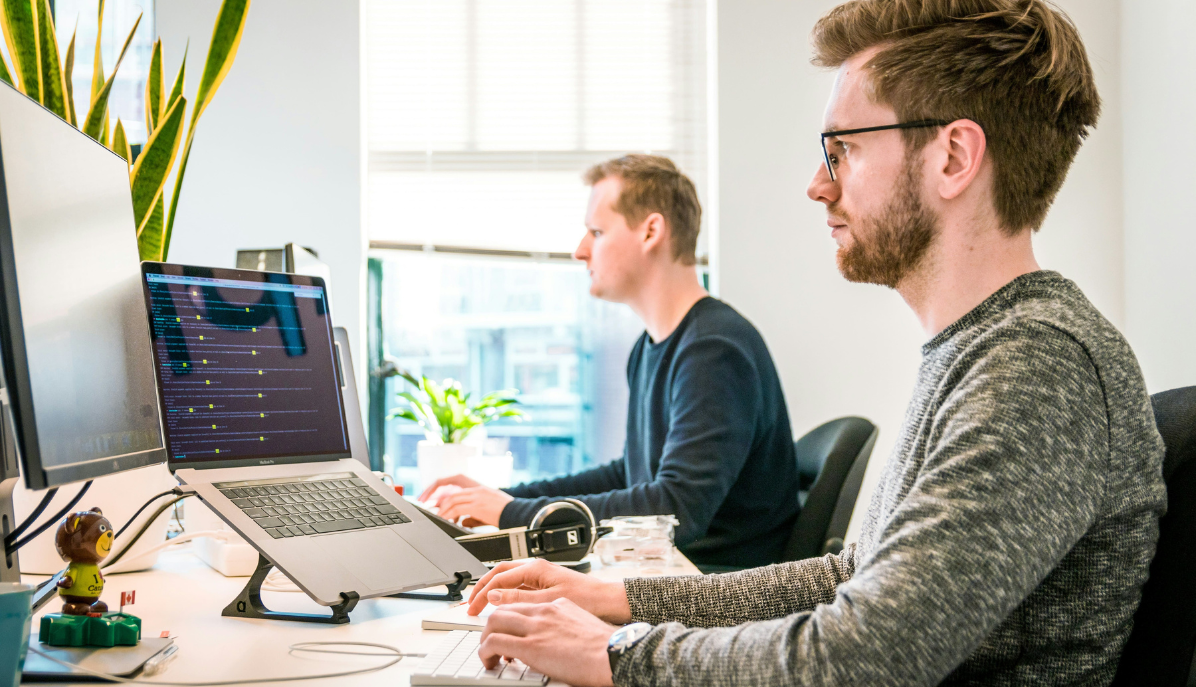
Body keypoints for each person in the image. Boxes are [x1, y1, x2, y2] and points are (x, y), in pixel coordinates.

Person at [458, 1, 1168, 685]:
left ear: (953, 156)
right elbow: (851, 576)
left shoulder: (1037, 365)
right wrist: (618, 599)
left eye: (843, 149)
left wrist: (618, 655)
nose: (817, 185)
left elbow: (864, 656)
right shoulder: (981, 350)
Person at [420, 155, 800, 570]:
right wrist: (504, 498)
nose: (580, 251)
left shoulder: (714, 351)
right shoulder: (652, 347)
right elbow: (630, 475)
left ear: (651, 231)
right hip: (671, 572)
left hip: (715, 585)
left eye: (597, 232)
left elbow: (676, 510)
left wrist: (512, 513)